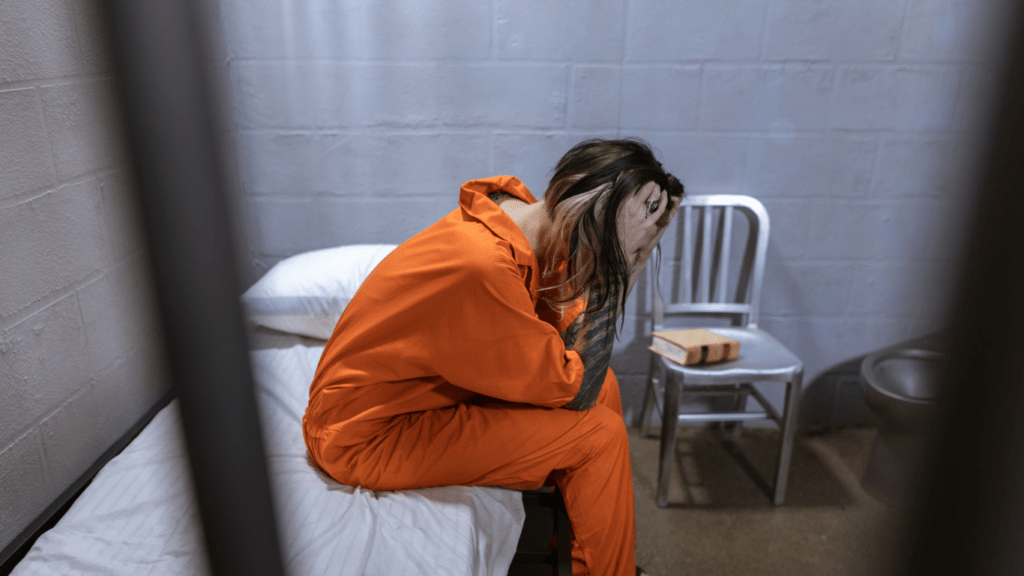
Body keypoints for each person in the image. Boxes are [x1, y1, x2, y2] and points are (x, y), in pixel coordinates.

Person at [303, 138, 684, 576]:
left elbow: (571, 349)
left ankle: (576, 545)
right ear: (574, 203)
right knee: (598, 434)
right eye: (615, 251)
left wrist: (629, 243)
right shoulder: (483, 266)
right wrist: (621, 271)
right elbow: (574, 388)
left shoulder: (517, 213)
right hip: (364, 436)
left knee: (608, 386)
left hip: (413, 399)